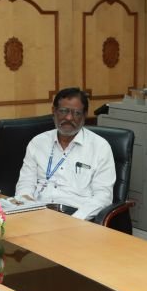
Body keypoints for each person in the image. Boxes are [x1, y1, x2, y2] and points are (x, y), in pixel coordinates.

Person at [15, 87, 115, 220]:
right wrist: (26, 209)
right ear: (54, 111)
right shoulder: (38, 142)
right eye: (63, 111)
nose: (69, 117)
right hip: (38, 212)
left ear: (85, 115)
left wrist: (75, 219)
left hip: (79, 216)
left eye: (77, 113)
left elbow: (103, 197)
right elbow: (25, 183)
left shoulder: (100, 147)